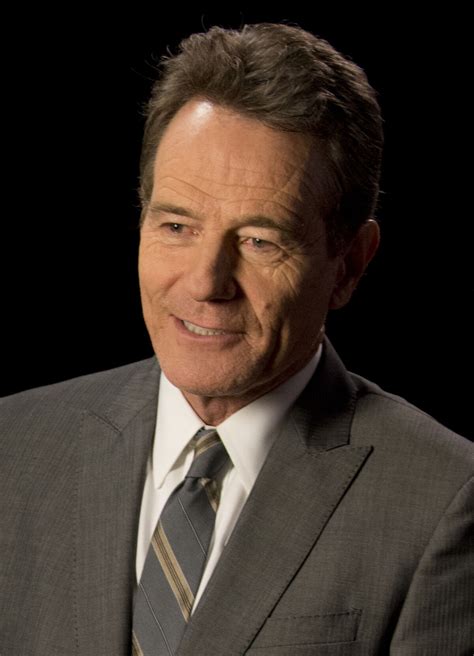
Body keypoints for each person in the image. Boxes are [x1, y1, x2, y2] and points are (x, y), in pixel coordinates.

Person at [0, 22, 472, 656]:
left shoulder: (443, 502)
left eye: (259, 241)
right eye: (176, 226)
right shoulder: (13, 448)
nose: (206, 283)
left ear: (349, 265)